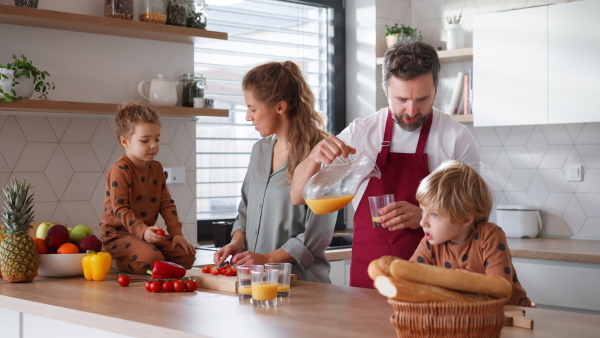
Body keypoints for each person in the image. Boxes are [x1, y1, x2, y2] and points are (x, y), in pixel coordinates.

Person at [290, 41, 480, 288]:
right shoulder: (362, 132)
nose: (412, 111)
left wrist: (425, 215)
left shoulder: (457, 137)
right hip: (369, 279)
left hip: (434, 280)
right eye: (401, 99)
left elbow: (475, 215)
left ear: (436, 87)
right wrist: (314, 157)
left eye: (423, 99)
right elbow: (297, 196)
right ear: (385, 90)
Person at [213, 61, 337, 283]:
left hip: (302, 285)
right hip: (257, 284)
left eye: (252, 108)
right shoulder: (259, 150)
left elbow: (317, 235)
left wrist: (266, 259)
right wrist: (236, 243)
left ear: (280, 107)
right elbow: (245, 208)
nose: (247, 116)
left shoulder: (321, 154)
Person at [411, 160, 533, 307]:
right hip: (465, 318)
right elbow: (409, 279)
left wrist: (463, 284)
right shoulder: (429, 243)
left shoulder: (489, 235)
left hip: (511, 316)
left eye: (434, 215)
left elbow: (500, 290)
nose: (422, 222)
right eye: (422, 211)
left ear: (465, 219)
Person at [100, 102, 196, 274]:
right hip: (118, 236)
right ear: (125, 141)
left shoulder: (157, 168)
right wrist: (142, 231)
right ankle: (115, 261)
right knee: (153, 259)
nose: (153, 145)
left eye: (157, 139)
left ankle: (151, 257)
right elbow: (119, 209)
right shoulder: (121, 169)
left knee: (186, 256)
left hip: (144, 236)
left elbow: (166, 204)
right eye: (145, 140)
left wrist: (176, 235)